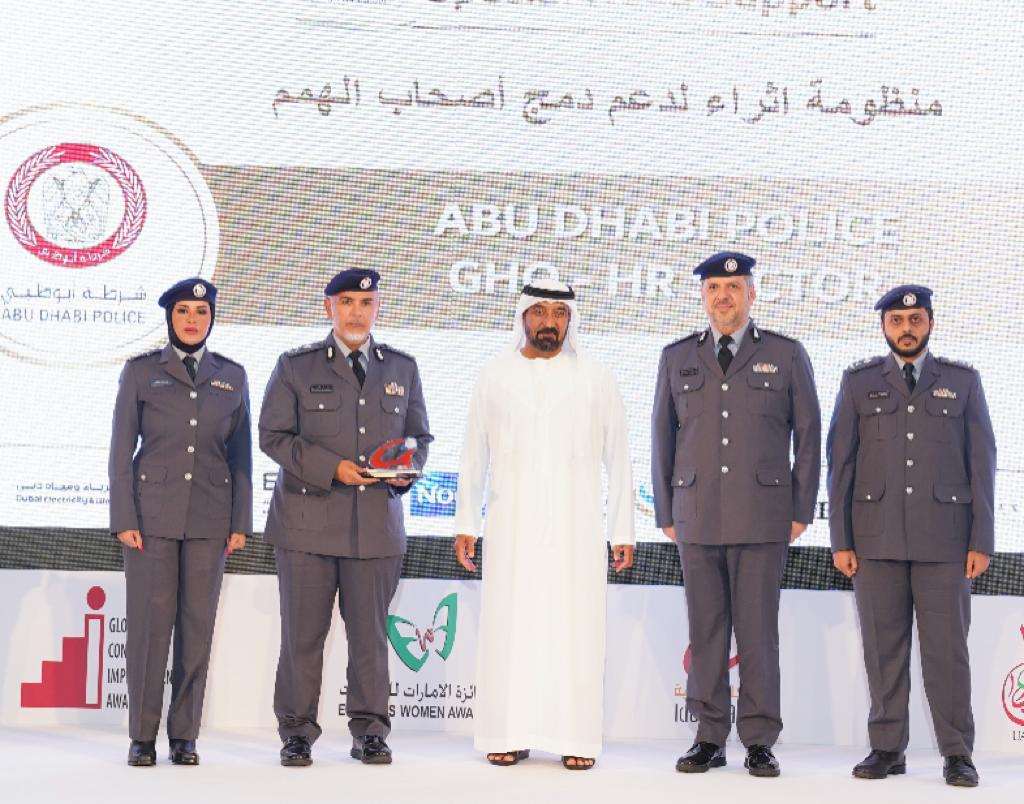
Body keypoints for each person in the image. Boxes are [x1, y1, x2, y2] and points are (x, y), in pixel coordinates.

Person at [453, 279, 635, 771]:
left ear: (571, 319)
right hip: (510, 528)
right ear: (523, 317)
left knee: (575, 630)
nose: (549, 322)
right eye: (539, 312)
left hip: (576, 530)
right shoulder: (494, 375)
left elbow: (619, 458)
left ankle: (576, 737)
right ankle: (507, 733)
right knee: (510, 629)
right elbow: (473, 454)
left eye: (559, 312)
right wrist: (466, 521)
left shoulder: (596, 378)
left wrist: (621, 530)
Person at [651, 252, 820, 777]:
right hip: (697, 514)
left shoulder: (786, 354)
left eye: (733, 287)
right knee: (705, 632)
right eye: (713, 288)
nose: (722, 296)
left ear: (751, 293)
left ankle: (760, 739)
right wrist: (665, 508)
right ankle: (708, 737)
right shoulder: (677, 356)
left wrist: (800, 508)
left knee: (757, 633)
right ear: (704, 296)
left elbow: (809, 436)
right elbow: (661, 437)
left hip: (763, 516)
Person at [260, 268, 432, 767]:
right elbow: (272, 435)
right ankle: (296, 733)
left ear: (377, 307)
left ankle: (370, 732)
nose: (357, 312)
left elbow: (419, 437)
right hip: (306, 528)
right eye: (348, 302)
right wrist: (330, 468)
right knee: (302, 638)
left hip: (375, 527)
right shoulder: (295, 366)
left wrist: (406, 470)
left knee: (370, 639)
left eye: (366, 302)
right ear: (329, 307)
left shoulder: (401, 367)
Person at [827, 284, 995, 788]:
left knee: (948, 654)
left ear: (930, 324)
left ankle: (957, 752)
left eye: (915, 319)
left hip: (945, 542)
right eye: (897, 321)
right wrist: (841, 539)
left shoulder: (962, 382)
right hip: (874, 541)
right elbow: (841, 465)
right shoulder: (859, 382)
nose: (906, 328)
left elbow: (982, 464)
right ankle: (886, 748)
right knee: (883, 651)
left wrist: (981, 539)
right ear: (884, 326)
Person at [109, 277, 252, 767]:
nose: (193, 320)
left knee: (197, 628)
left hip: (210, 520)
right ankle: (142, 736)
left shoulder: (232, 376)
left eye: (202, 312)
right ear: (170, 317)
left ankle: (184, 736)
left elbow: (240, 456)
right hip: (149, 521)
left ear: (212, 318)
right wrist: (123, 516)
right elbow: (120, 452)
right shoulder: (141, 372)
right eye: (184, 311)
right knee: (149, 631)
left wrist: (240, 520)